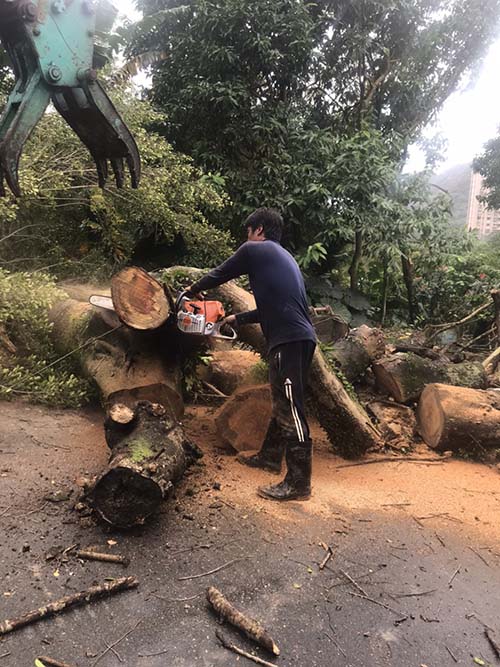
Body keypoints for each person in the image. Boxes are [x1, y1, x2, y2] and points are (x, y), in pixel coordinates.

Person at [188, 208, 316, 501]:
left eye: (248, 232)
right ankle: (270, 458)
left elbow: (222, 273)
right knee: (283, 401)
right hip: (296, 338)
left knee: (291, 408)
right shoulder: (284, 258)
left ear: (259, 230)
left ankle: (299, 484)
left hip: (289, 340)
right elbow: (274, 307)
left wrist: (193, 289)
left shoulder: (256, 249)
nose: (246, 238)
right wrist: (239, 319)